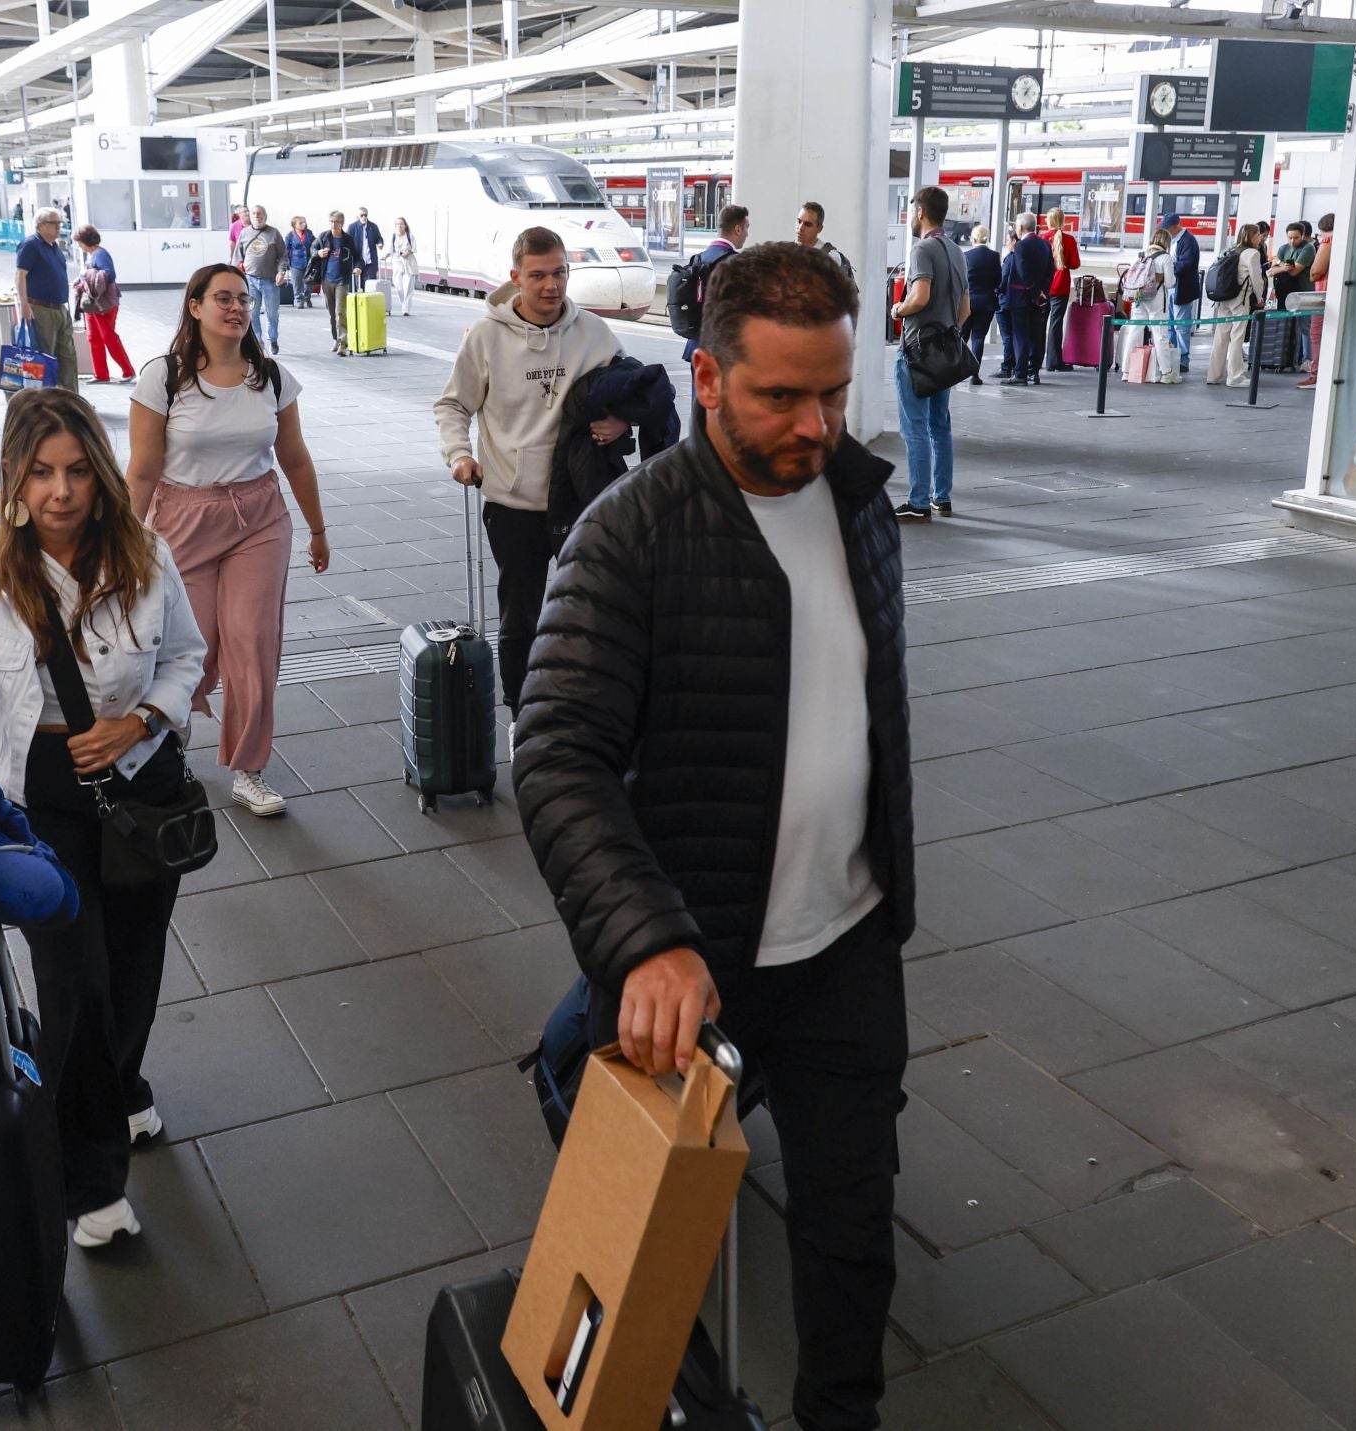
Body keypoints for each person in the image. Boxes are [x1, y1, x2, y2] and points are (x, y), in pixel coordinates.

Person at [513, 241, 914, 1431]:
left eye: (832, 393)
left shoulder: (857, 503)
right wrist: (643, 941)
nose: (815, 425)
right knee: (643, 1227)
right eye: (780, 396)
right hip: (701, 960)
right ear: (706, 378)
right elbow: (557, 754)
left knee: (853, 1229)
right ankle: (678, 1399)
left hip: (844, 946)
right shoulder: (629, 536)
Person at [0, 388, 208, 1250]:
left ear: (101, 474)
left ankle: (115, 1088)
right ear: (14, 476)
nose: (61, 491)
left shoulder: (146, 553)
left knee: (135, 962)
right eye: (41, 473)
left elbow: (186, 655)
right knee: (75, 978)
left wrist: (142, 718)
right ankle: (90, 1181)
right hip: (41, 790)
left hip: (139, 780)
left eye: (77, 470)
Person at [126, 264, 331, 819]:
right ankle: (173, 735)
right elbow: (142, 471)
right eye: (223, 298)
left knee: (252, 642)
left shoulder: (270, 377)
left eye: (243, 298)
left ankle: (249, 767)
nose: (236, 307)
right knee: (190, 647)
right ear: (194, 307)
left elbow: (295, 458)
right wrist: (122, 543)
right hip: (183, 520)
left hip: (259, 519)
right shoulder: (163, 378)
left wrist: (316, 527)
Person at [434, 226, 624, 726]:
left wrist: (622, 420)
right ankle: (523, 717)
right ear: (516, 278)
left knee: (591, 611)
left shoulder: (594, 332)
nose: (551, 285)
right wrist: (458, 454)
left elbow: (634, 388)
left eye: (559, 272)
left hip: (580, 500)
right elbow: (453, 404)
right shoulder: (486, 337)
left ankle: (584, 707)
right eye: (537, 275)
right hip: (512, 503)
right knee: (520, 619)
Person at [890, 187, 969, 522]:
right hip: (945, 351)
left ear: (920, 211)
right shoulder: (956, 251)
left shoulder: (922, 249)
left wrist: (898, 309)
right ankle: (942, 496)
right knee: (940, 425)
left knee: (915, 426)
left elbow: (919, 297)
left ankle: (918, 501)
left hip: (917, 351)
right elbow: (965, 309)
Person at [15, 207, 79, 393]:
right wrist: (24, 304)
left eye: (60, 223)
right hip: (41, 309)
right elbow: (20, 275)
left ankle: (71, 397)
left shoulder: (55, 246)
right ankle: (47, 398)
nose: (59, 227)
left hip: (60, 308)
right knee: (45, 357)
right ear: (40, 225)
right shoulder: (30, 245)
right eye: (54, 223)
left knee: (67, 355)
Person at [683, 204, 751, 360]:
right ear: (738, 229)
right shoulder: (735, 262)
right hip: (720, 348)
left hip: (695, 344)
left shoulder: (698, 258)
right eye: (746, 227)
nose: (747, 233)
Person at [71, 225, 136, 386]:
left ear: (86, 241)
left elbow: (109, 274)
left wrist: (85, 275)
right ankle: (100, 374)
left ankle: (128, 371)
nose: (79, 245)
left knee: (108, 337)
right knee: (94, 338)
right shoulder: (94, 254)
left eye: (80, 242)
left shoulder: (100, 254)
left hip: (103, 303)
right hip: (94, 303)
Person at [1207, 222, 1268, 389]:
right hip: (1240, 299)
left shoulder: (1231, 250)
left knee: (1221, 336)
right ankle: (1235, 376)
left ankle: (1214, 374)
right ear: (1252, 236)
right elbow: (1256, 279)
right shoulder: (1252, 253)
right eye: (1258, 235)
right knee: (1237, 336)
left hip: (1224, 297)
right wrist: (1260, 296)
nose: (1260, 239)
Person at [997, 212, 1054, 386]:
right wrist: (1043, 291)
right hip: (1039, 299)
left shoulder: (1021, 246)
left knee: (1020, 335)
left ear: (1021, 228)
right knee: (1036, 335)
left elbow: (1022, 271)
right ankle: (1033, 372)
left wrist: (1033, 290)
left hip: (1021, 297)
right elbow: (1050, 270)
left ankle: (1020, 373)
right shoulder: (1045, 244)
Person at [1123, 228, 1181, 385]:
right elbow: (1170, 283)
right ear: (1166, 242)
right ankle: (1166, 373)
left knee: (1134, 332)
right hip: (1156, 298)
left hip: (1138, 297)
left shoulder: (1141, 255)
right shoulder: (1165, 258)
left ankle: (1127, 371)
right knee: (1160, 334)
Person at [231, 204, 287, 356]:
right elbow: (237, 257)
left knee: (272, 313)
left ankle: (273, 339)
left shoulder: (274, 233)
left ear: (265, 216)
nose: (256, 216)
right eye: (254, 213)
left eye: (260, 213)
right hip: (250, 281)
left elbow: (283, 255)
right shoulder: (244, 233)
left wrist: (282, 271)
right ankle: (257, 342)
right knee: (252, 313)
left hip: (270, 281)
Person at [1271, 220, 1318, 372]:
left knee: (1305, 327)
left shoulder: (1308, 248)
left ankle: (1307, 359)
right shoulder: (1283, 248)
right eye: (1290, 237)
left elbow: (1295, 270)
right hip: (1285, 293)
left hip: (1304, 293)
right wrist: (1283, 267)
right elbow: (1271, 270)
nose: (1292, 241)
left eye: (1296, 238)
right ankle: (1287, 358)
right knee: (1286, 326)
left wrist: (1281, 267)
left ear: (1303, 236)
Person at [1040, 206, 1081, 373]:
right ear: (1063, 221)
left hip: (1043, 288)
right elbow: (1075, 264)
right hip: (1061, 287)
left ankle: (1034, 359)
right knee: (1055, 325)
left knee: (1040, 324)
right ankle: (1054, 361)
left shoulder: (1041, 238)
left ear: (1048, 221)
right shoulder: (1069, 240)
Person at [961, 225, 1001, 385]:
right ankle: (974, 375)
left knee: (962, 337)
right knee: (978, 338)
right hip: (986, 303)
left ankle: (957, 370)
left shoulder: (966, 256)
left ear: (973, 239)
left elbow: (961, 280)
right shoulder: (994, 256)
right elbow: (999, 280)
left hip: (967, 302)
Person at [310, 211, 352, 355]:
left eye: (337, 222)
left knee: (340, 312)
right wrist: (318, 253)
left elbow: (358, 256)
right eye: (331, 221)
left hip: (342, 280)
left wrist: (358, 267)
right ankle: (335, 338)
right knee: (332, 313)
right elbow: (312, 248)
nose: (334, 224)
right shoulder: (324, 237)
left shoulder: (348, 240)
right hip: (326, 280)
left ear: (342, 223)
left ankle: (343, 344)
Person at [1301, 213, 1333, 389]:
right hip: (1339, 295)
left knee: (1317, 334)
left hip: (1323, 296)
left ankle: (1316, 375)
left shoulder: (1328, 241)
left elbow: (1315, 272)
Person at [1168, 214, 1202, 375]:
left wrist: (1168, 267)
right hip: (1173, 288)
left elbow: (1185, 265)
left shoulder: (1188, 241)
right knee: (1171, 325)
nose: (1166, 231)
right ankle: (1173, 356)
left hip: (1182, 289)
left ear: (1175, 226)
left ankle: (1182, 359)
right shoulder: (1177, 240)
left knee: (1181, 326)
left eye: (1168, 228)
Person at [795, 200, 854, 281]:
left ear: (819, 228)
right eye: (799, 221)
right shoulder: (788, 251)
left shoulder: (830, 257)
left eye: (808, 224)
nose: (800, 228)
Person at [391, 216, 419, 317]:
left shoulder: (409, 236)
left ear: (405, 226)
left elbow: (414, 248)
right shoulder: (393, 237)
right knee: (398, 285)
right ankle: (404, 304)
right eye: (397, 224)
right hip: (397, 263)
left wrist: (408, 252)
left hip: (409, 263)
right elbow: (390, 250)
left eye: (401, 224)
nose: (399, 226)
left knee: (408, 287)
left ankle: (406, 309)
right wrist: (385, 255)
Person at [285, 215, 315, 309]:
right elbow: (286, 249)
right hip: (295, 262)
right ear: (294, 225)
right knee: (297, 283)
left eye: (304, 222)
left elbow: (315, 243)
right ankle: (299, 300)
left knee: (309, 282)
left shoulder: (309, 233)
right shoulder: (290, 235)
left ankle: (307, 297)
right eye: (301, 223)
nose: (303, 224)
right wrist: (285, 262)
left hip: (308, 261)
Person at [347, 206, 383, 281]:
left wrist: (380, 243)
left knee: (370, 284)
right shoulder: (352, 227)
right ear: (358, 216)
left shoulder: (373, 227)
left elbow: (379, 238)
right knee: (357, 284)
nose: (364, 217)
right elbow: (346, 241)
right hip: (357, 261)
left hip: (370, 261)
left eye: (365, 215)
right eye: (362, 215)